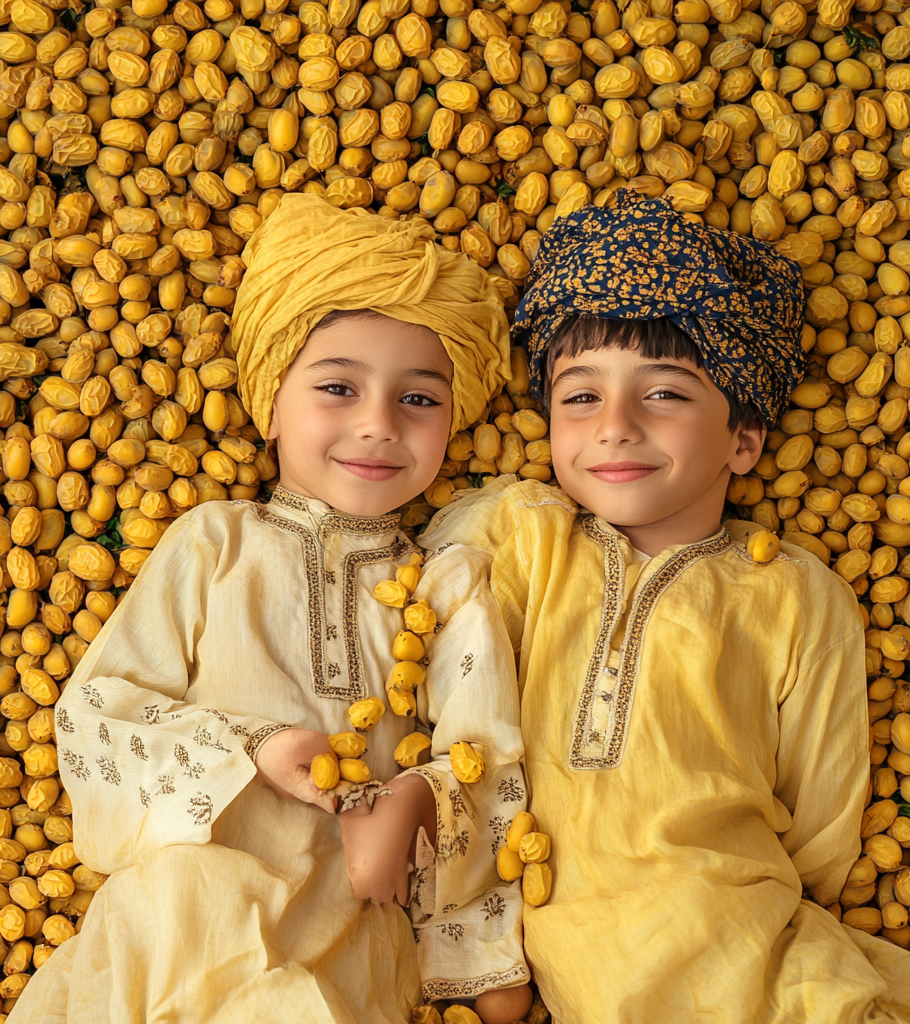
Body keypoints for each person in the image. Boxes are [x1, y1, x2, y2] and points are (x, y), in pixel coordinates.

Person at [418, 190, 910, 1024]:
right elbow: (435, 620)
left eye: (665, 395)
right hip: (584, 955)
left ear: (744, 440)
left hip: (747, 932)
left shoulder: (797, 592)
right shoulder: (528, 540)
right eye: (580, 397)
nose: (615, 426)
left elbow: (824, 821)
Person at [15, 195, 532, 1024]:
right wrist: (250, 749)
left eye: (421, 400)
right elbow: (95, 715)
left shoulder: (448, 584)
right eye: (336, 386)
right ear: (266, 401)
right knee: (191, 910)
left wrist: (413, 808)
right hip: (184, 912)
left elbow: (492, 756)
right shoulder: (213, 544)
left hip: (350, 938)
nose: (377, 425)